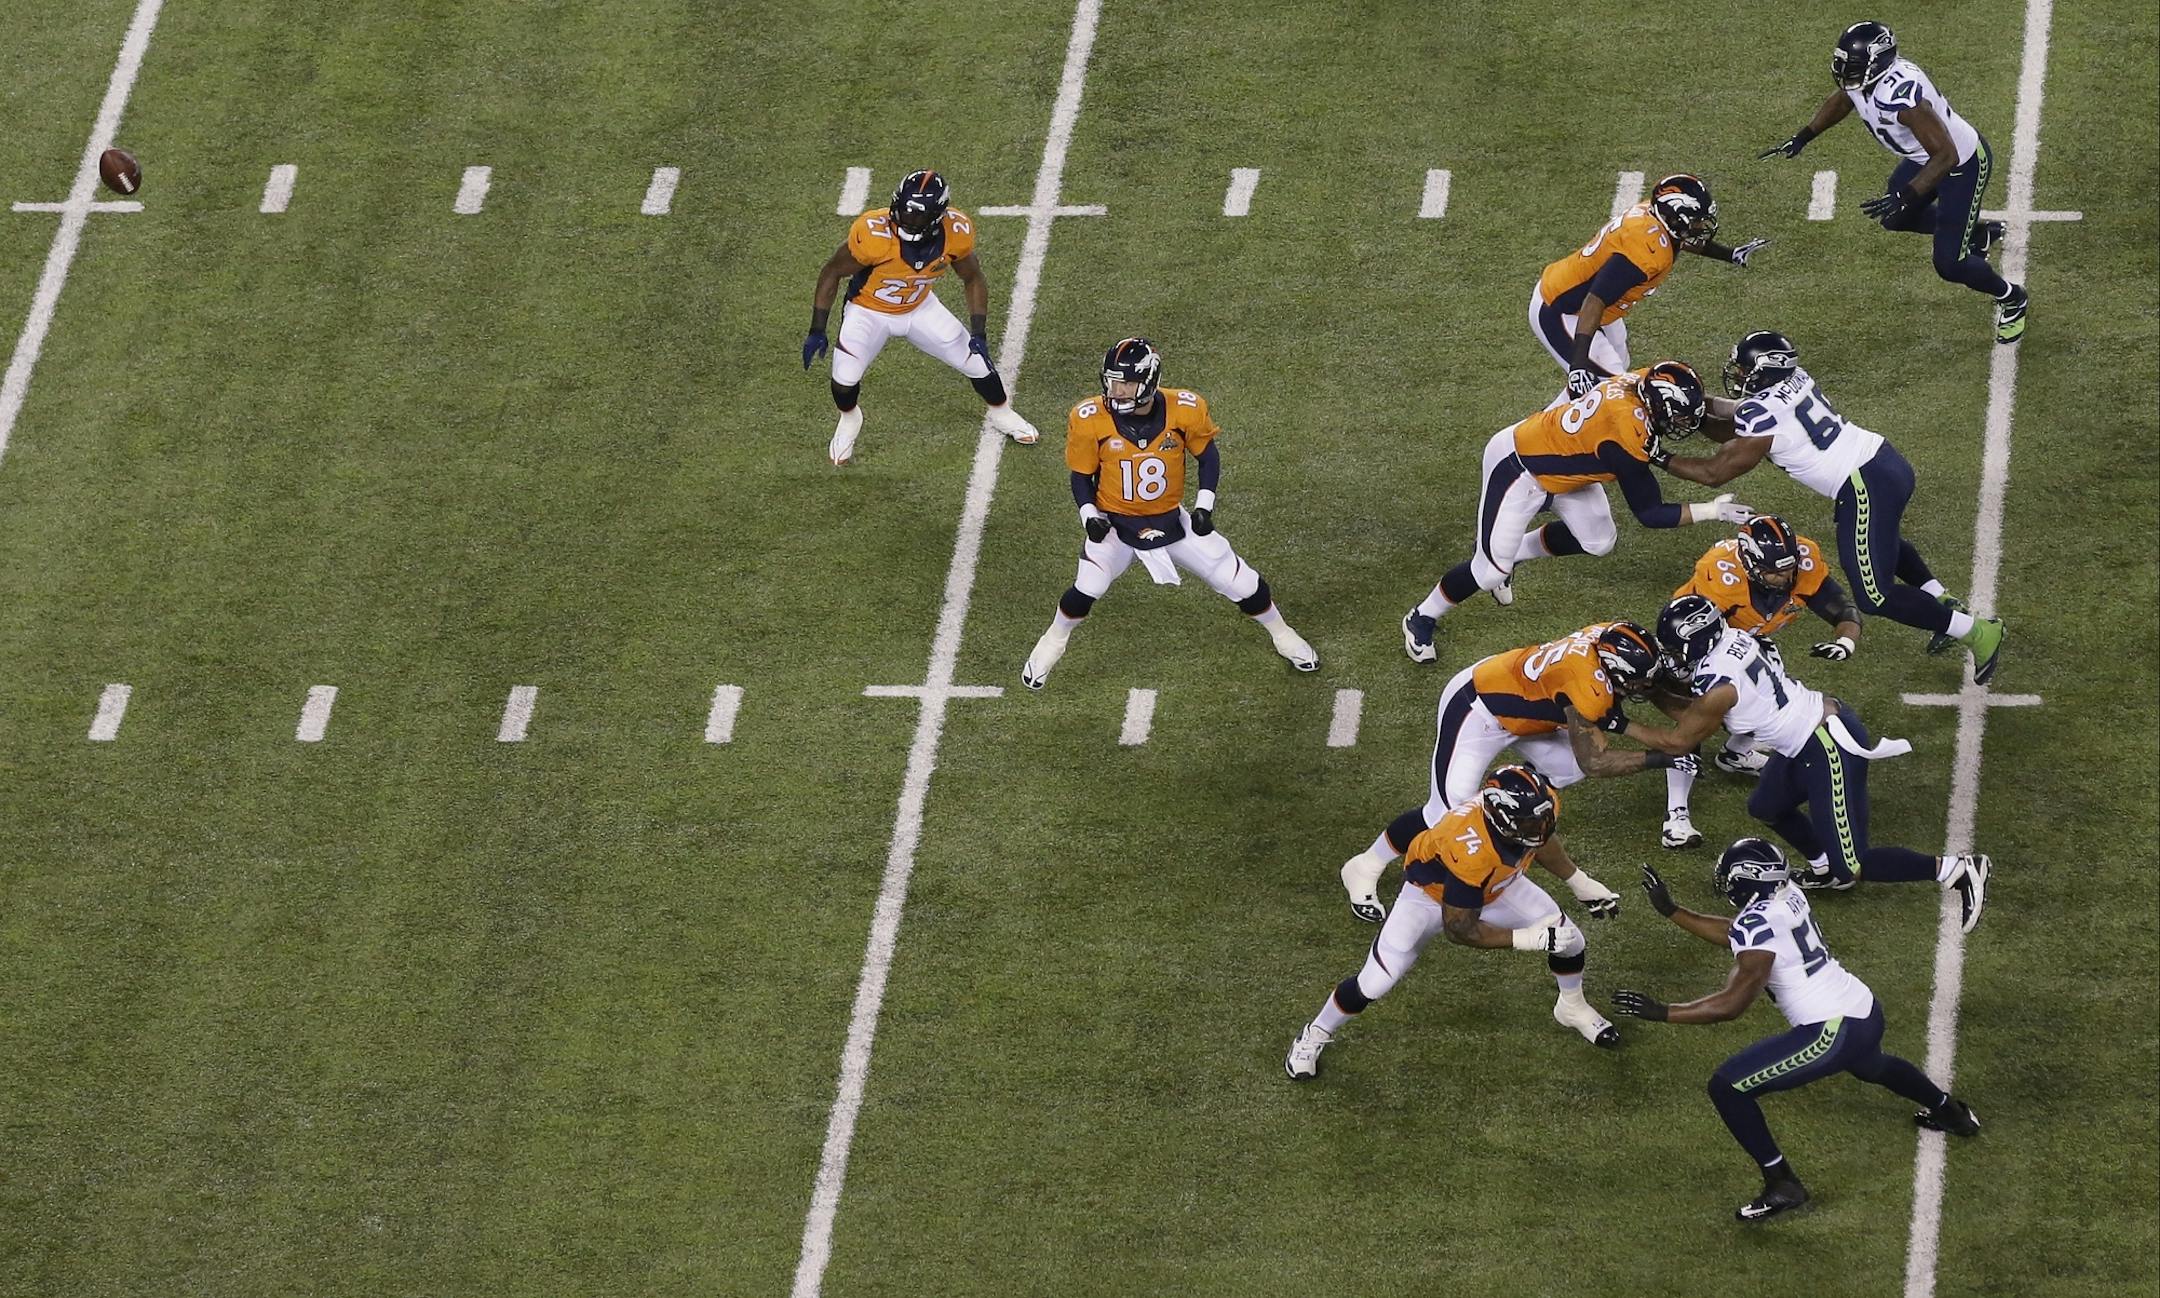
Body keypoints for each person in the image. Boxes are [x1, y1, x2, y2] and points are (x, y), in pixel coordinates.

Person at [1613, 840, 1982, 1222]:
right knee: (1872, 1064)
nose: (1723, 880)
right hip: (1861, 1008)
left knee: (1727, 1087)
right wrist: (1674, 912)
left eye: (1730, 875)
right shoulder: (1788, 894)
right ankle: (1951, 1113)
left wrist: (1665, 1012)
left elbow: (1731, 1004)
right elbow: (1739, 933)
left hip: (1832, 1030)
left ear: (1749, 882)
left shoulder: (1757, 923)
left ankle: (1782, 1183)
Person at [1612, 595, 1990, 928]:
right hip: (1808, 733)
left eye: (1678, 649)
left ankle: (1955, 869)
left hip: (1827, 746)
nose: (1674, 657)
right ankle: (1824, 867)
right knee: (1766, 805)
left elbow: (1681, 738)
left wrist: (1621, 718)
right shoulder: (1734, 639)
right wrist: (1656, 688)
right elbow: (1697, 705)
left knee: (1854, 865)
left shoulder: (1719, 685)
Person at [1656, 330, 2005, 683]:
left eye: (1745, 370)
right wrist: (1698, 408)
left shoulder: (1760, 415)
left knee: (1874, 596)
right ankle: (1939, 599)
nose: (1740, 375)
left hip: (1863, 485)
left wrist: (1657, 455)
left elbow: (1716, 471)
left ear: (1764, 371)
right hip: (1884, 461)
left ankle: (1976, 632)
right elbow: (1739, 418)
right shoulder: (1794, 379)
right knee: (1882, 545)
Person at [1288, 766, 1620, 1081]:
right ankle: (1316, 1031)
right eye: (1529, 824)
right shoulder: (1470, 845)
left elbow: (1541, 836)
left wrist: (1579, 881)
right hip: (1430, 897)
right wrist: (1528, 938)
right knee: (1375, 983)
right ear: (1501, 819)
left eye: (1542, 819)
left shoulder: (1531, 806)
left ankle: (1572, 1007)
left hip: (1497, 885)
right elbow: (1460, 929)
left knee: (1571, 941)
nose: (1539, 827)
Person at [1401, 362, 1751, 660]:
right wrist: (1712, 511)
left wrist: (1739, 409)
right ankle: (1422, 615)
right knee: (1490, 571)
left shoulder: (1643, 380)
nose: (1683, 425)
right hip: (1520, 469)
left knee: (1599, 540)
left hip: (1568, 468)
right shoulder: (1626, 437)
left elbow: (1695, 404)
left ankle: (1515, 554)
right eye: (1676, 417)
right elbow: (1650, 513)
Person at [1020, 338, 1316, 689]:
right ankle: (1053, 640)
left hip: (1169, 518)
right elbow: (1081, 476)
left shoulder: (1185, 408)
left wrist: (1204, 506)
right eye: (1112, 380)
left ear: (1148, 381)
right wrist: (1089, 516)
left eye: (1126, 383)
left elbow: (1208, 456)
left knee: (1241, 581)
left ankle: (1282, 633)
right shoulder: (1090, 418)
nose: (1116, 390)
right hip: (1114, 520)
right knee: (1089, 585)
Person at [1338, 621, 1663, 924]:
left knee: (1565, 771)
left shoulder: (1606, 635)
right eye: (1637, 681)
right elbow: (1597, 760)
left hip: (1525, 711)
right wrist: (1665, 753)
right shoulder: (1588, 680)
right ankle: (1366, 864)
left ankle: (1513, 796)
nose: (1643, 687)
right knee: (1447, 814)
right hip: (1478, 709)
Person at [1757, 21, 2028, 343]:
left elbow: (1946, 156)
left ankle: (2012, 297)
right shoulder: (1865, 82)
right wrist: (1804, 136)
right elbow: (1844, 99)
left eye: (1854, 68)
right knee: (1895, 218)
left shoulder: (1902, 97)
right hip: (1923, 159)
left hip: (1961, 165)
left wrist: (1908, 193)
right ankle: (1979, 231)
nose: (1848, 76)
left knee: (1949, 264)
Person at [803, 170, 1039, 464]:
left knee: (976, 361)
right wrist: (817, 328)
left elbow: (973, 278)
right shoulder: (875, 235)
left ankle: (1001, 413)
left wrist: (979, 332)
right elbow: (832, 271)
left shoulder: (955, 233)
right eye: (903, 209)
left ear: (937, 216)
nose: (905, 218)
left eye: (916, 215)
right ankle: (850, 419)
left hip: (919, 307)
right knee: (844, 378)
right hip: (869, 311)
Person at [1657, 514, 1863, 849]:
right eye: (1774, 571)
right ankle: (1676, 816)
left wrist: (1845, 641)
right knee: (1695, 720)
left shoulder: (1801, 562)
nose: (1784, 578)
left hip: (1747, 642)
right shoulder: (1721, 576)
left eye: (1788, 568)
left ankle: (1736, 753)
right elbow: (1692, 632)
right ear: (1750, 562)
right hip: (1695, 645)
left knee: (1768, 689)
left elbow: (1842, 609)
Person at [1533, 173, 1768, 394]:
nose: (1700, 227)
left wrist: (1730, 254)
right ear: (1674, 217)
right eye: (1695, 221)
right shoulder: (1643, 251)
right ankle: (1549, 430)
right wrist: (1578, 363)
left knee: (1616, 369)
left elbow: (1682, 238)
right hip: (1564, 309)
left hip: (1600, 309)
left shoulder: (1657, 219)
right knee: (1610, 387)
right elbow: (1594, 300)